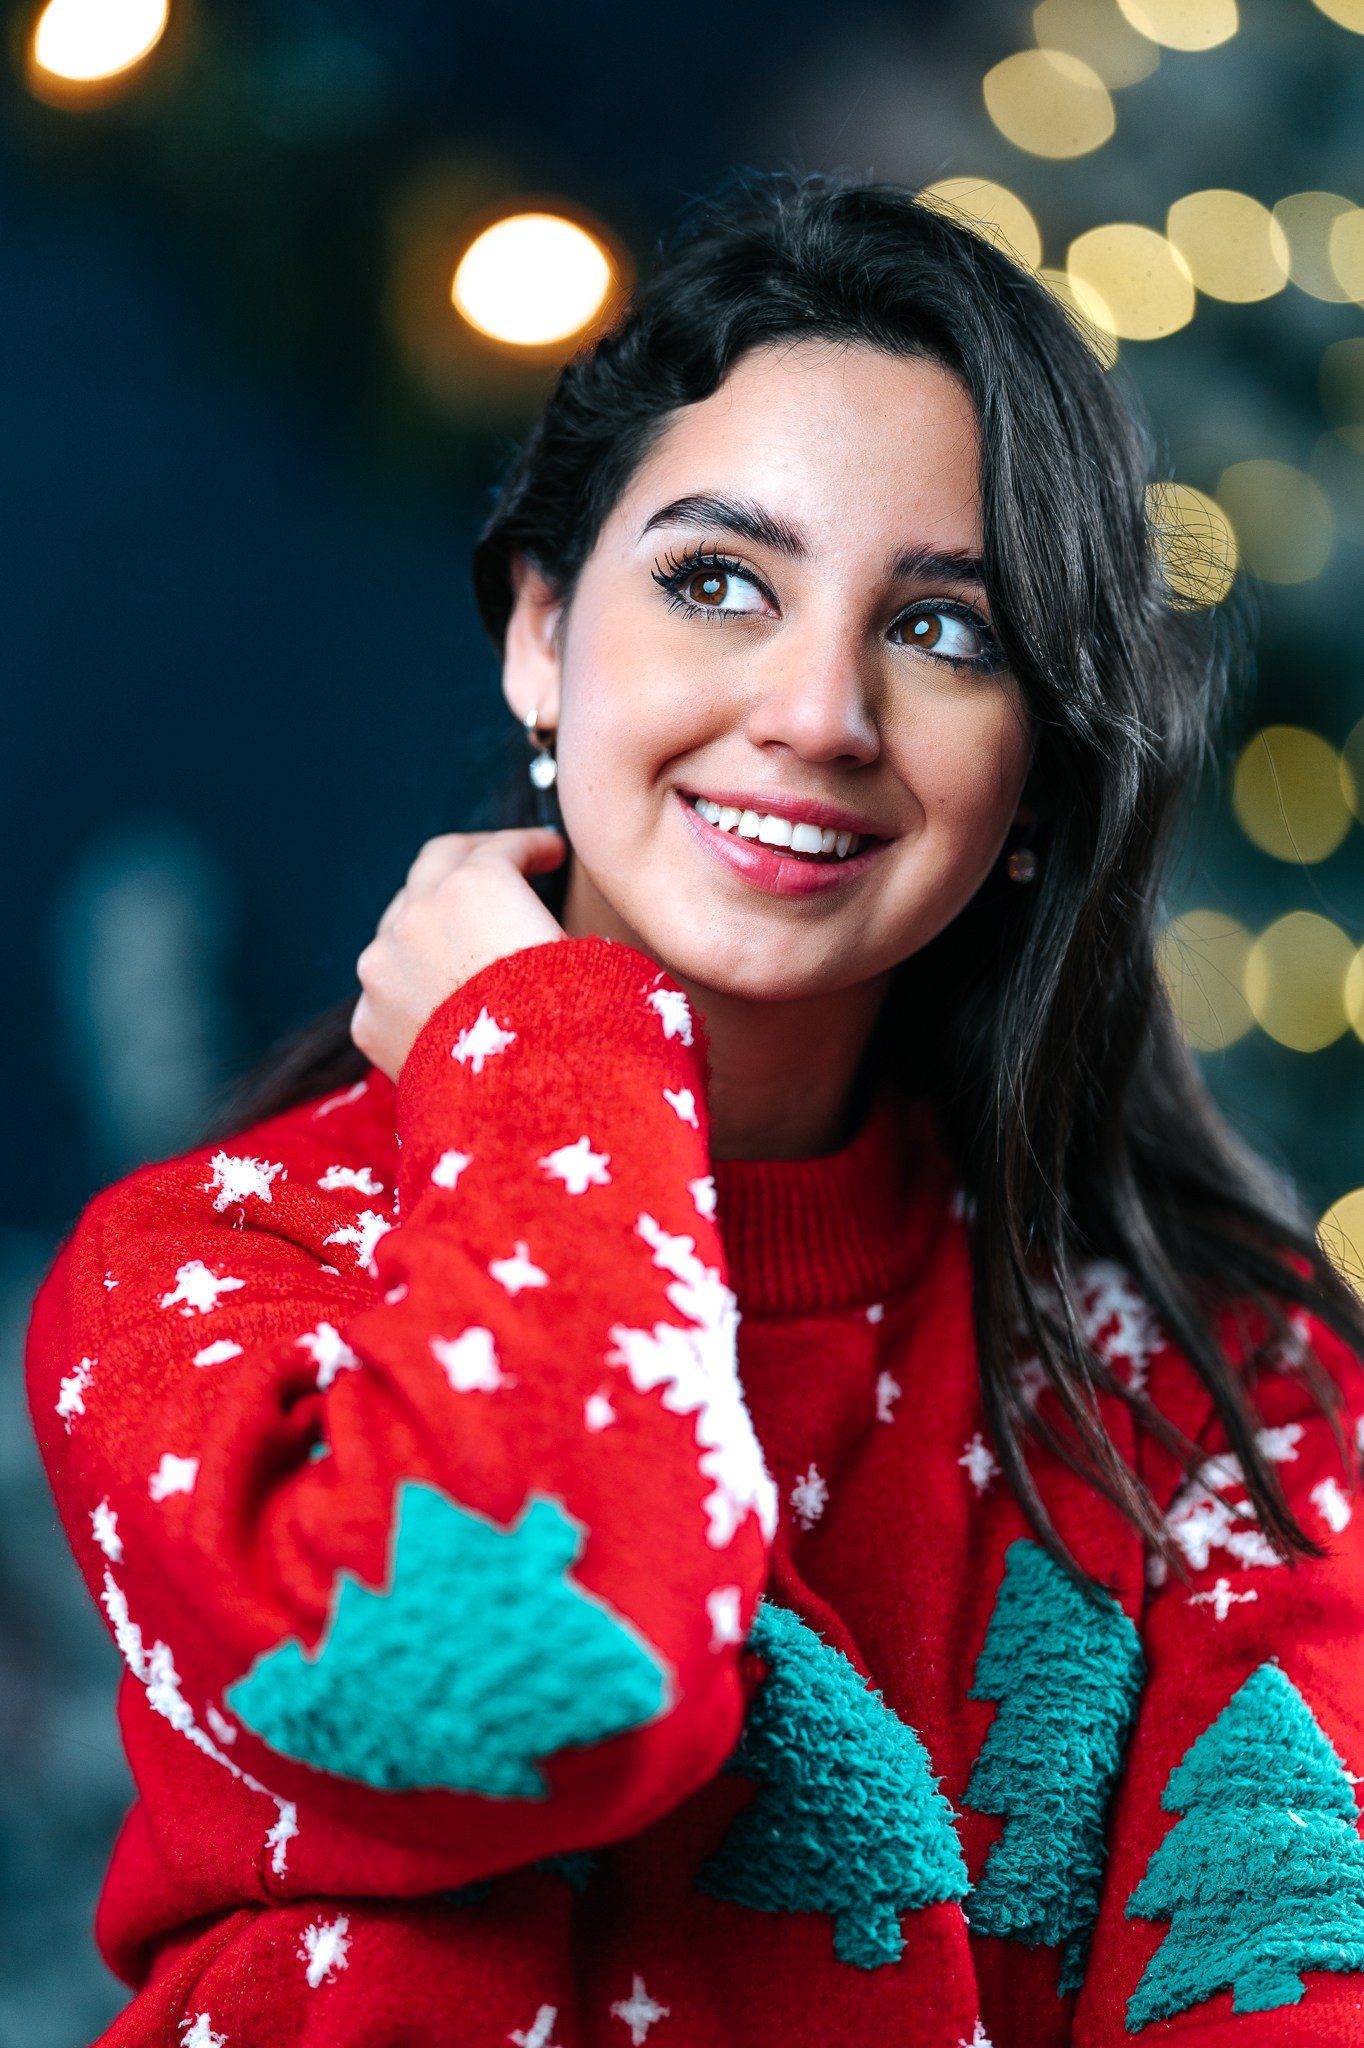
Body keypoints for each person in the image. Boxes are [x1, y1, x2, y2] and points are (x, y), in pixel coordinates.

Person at [27, 172, 1364, 2048]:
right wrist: (542, 1053)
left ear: (1038, 778)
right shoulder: (203, 1277)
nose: (820, 711)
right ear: (537, 637)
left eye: (949, 633)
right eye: (717, 580)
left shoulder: (1227, 1379)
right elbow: (535, 1687)